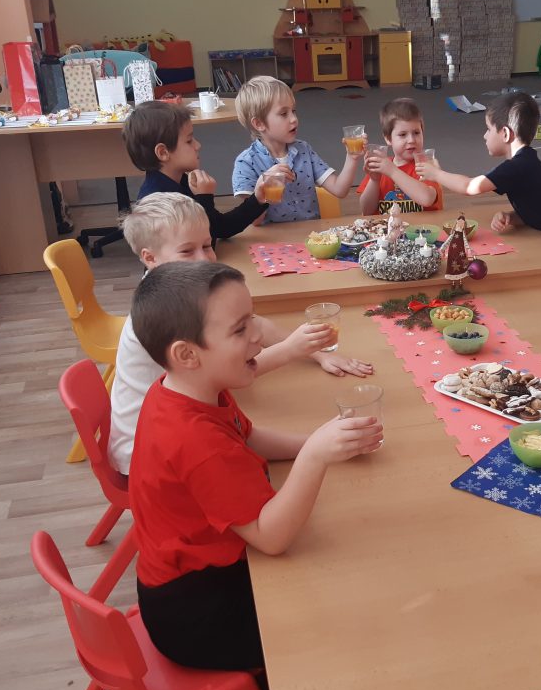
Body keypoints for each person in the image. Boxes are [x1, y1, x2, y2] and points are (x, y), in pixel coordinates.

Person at [129, 260, 383, 690]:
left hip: (185, 585)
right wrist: (316, 456)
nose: (257, 337)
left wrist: (318, 442)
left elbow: (249, 438)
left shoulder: (190, 391)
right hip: (194, 612)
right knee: (331, 640)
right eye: (240, 329)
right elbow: (271, 537)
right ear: (187, 354)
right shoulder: (193, 438)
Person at [108, 192, 373, 475]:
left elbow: (255, 325)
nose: (204, 259)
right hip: (145, 456)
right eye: (187, 251)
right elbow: (227, 371)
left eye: (207, 245)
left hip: (183, 430)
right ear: (150, 258)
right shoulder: (166, 311)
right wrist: (291, 349)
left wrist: (317, 354)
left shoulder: (185, 290)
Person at [415, 92, 541, 254]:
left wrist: (436, 174)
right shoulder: (525, 162)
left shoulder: (518, 166)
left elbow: (469, 187)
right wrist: (513, 217)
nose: (485, 136)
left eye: (488, 129)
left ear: (505, 134)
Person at [123, 100, 282, 245]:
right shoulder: (158, 201)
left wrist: (257, 199)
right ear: (163, 152)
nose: (198, 145)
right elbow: (203, 245)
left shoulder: (180, 182)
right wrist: (204, 199)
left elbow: (222, 227)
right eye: (189, 140)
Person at [231, 75, 363, 223]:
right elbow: (254, 222)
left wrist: (352, 157)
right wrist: (263, 187)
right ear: (259, 124)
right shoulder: (246, 163)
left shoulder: (304, 150)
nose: (294, 119)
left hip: (310, 234)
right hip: (272, 237)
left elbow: (340, 189)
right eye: (283, 114)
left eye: (293, 111)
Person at [358, 97, 442, 215]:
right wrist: (374, 180)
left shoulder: (427, 164)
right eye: (403, 135)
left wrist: (392, 171)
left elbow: (427, 199)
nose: (411, 140)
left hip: (425, 227)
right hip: (387, 227)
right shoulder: (381, 167)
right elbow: (366, 211)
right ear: (388, 139)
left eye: (416, 133)